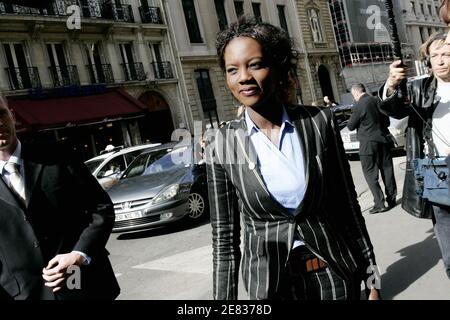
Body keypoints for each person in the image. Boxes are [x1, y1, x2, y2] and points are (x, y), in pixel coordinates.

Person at [207, 17, 380, 300]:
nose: (243, 78)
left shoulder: (318, 122)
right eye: (232, 70)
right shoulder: (221, 143)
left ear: (278, 67)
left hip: (333, 274)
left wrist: (373, 279)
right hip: (270, 286)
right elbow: (224, 239)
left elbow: (347, 207)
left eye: (255, 64)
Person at [0, 96, 120, 299]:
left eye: (1, 113)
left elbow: (101, 208)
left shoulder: (57, 154)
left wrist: (79, 255)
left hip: (83, 283)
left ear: (12, 115)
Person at [378, 31, 450, 279]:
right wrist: (392, 83)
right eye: (435, 55)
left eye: (447, 54)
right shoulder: (419, 89)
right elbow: (395, 109)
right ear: (428, 60)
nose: (440, 60)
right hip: (439, 174)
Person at [347, 83, 397, 214]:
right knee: (387, 170)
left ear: (356, 93)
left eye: (354, 96)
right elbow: (387, 122)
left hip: (367, 143)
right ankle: (392, 199)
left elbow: (351, 126)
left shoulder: (359, 105)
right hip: (382, 139)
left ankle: (380, 203)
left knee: (370, 173)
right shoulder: (377, 101)